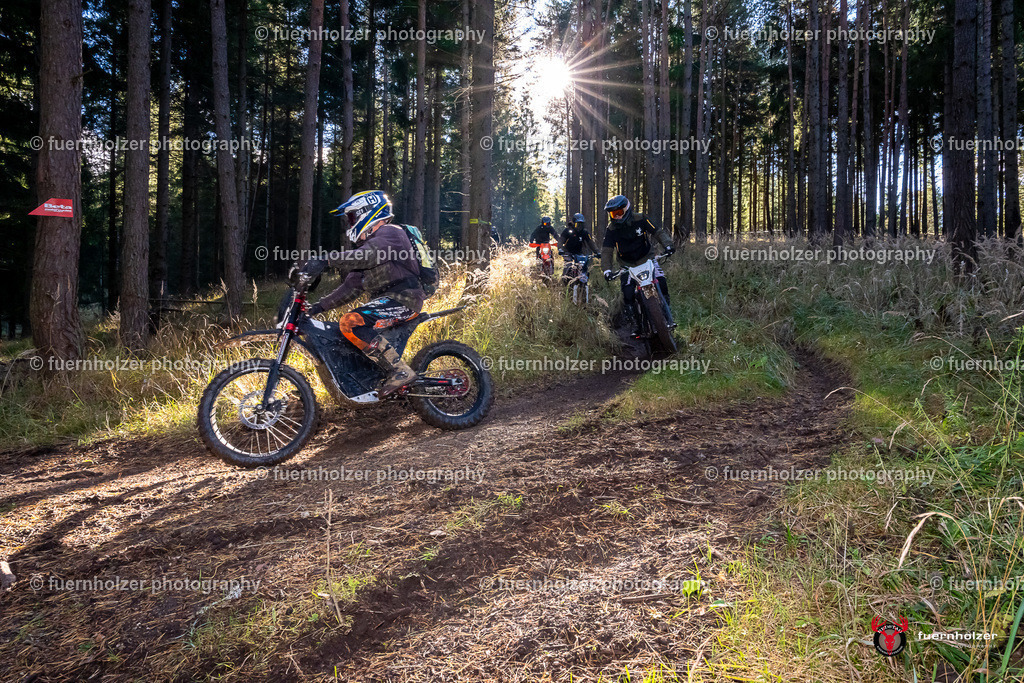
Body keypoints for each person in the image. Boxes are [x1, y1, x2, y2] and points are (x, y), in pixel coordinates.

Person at [301, 190, 424, 397]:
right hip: (387, 302)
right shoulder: (372, 244)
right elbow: (350, 288)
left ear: (368, 212)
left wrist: (326, 260)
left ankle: (400, 371)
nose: (351, 223)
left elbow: (367, 256)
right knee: (346, 330)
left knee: (350, 322)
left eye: (352, 217)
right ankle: (378, 377)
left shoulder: (390, 233)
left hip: (405, 299)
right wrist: (316, 308)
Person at [600, 195, 676, 335]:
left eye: (619, 213)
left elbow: (657, 231)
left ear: (627, 209)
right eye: (613, 214)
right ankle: (636, 324)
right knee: (628, 293)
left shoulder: (640, 218)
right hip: (627, 265)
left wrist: (668, 245)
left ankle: (667, 315)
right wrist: (607, 270)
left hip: (647, 259)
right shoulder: (611, 229)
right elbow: (606, 250)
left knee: (662, 283)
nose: (616, 217)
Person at [560, 212, 599, 282]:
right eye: (577, 224)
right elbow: (561, 241)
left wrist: (597, 251)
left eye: (581, 224)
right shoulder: (567, 231)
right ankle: (564, 283)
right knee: (568, 266)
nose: (579, 227)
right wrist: (560, 249)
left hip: (579, 253)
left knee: (584, 267)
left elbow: (590, 242)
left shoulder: (584, 232)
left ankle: (583, 282)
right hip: (568, 252)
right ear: (573, 223)